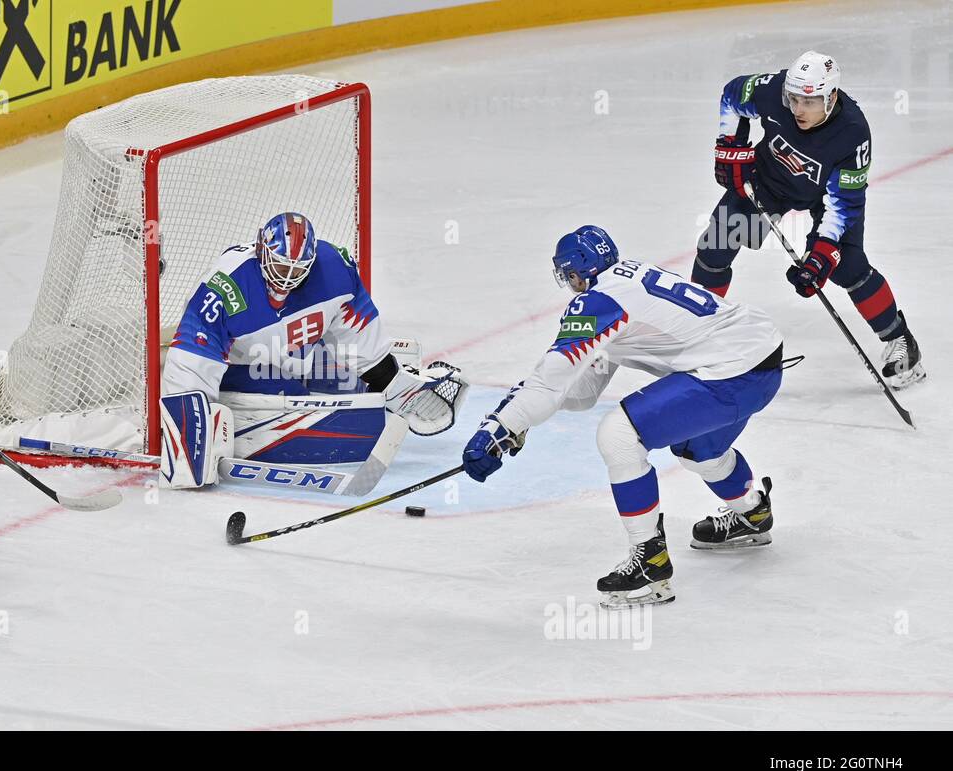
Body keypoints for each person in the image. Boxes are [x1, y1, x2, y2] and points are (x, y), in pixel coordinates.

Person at [463, 226, 786, 608]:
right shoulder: (628, 280)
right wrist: (521, 418)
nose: (570, 283)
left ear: (578, 270)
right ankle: (752, 511)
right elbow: (579, 392)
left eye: (568, 275)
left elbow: (550, 384)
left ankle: (649, 561)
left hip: (730, 372)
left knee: (619, 435)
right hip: (762, 362)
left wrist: (499, 426)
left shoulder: (597, 303)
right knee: (699, 449)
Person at [159, 211, 467, 490]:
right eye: (280, 265)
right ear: (260, 249)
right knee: (307, 404)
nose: (287, 278)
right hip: (235, 364)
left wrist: (392, 382)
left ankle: (395, 387)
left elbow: (355, 331)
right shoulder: (227, 287)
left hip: (295, 354)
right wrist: (189, 441)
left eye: (297, 269)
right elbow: (191, 362)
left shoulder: (335, 270)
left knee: (342, 381)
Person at [695, 50, 923, 389]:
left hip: (824, 199)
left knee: (847, 268)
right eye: (794, 99)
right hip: (767, 181)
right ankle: (695, 330)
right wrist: (731, 144)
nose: (798, 109)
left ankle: (901, 341)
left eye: (809, 101)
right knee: (716, 245)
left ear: (830, 97)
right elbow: (732, 94)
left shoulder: (853, 133)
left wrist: (822, 254)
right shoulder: (774, 91)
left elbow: (842, 206)